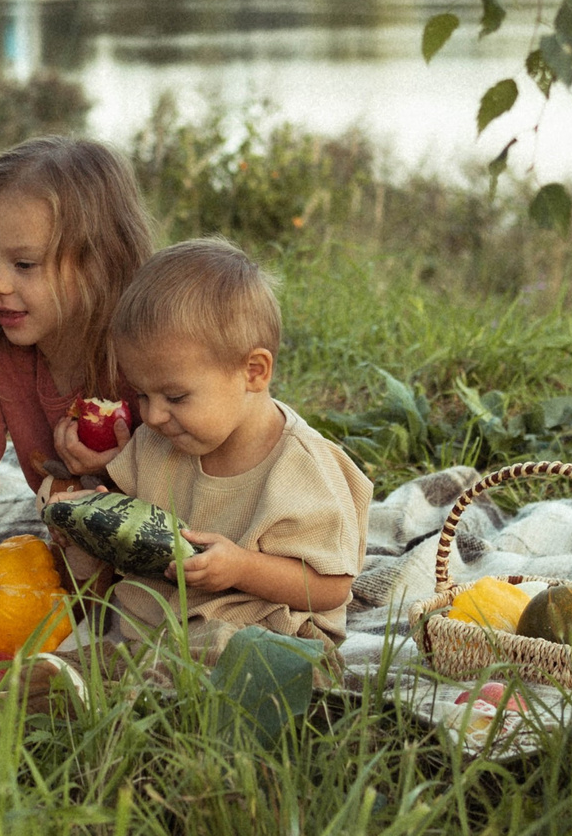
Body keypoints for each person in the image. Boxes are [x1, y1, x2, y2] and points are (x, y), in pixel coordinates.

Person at [0, 137, 153, 667]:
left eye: (24, 264)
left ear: (100, 262)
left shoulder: (145, 355)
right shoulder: (6, 356)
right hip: (84, 567)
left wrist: (125, 466)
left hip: (177, 574)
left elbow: (200, 474)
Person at [90, 238, 371, 661]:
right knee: (88, 641)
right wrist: (99, 508)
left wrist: (241, 568)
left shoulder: (300, 466)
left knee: (232, 653)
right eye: (142, 394)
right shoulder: (159, 439)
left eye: (175, 397)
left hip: (262, 629)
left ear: (253, 372)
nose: (153, 415)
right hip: (157, 624)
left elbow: (332, 587)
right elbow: (129, 508)